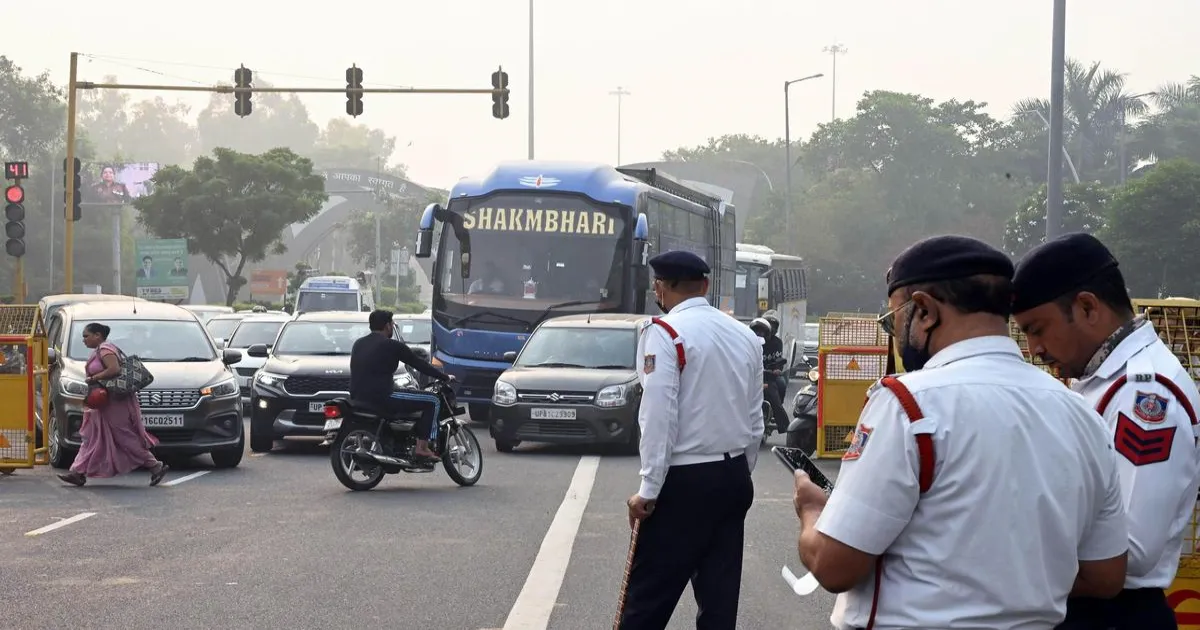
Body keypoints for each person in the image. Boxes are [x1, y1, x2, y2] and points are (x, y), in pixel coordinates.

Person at [792, 235, 1129, 630]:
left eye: (892, 320)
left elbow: (834, 567)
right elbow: (1106, 576)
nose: (894, 334)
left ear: (924, 310)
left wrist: (812, 510)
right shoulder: (1082, 414)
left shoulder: (908, 404)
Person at [1012, 232, 1200, 629]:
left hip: (1113, 615)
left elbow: (1131, 550)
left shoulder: (1144, 395)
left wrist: (1015, 563)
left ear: (1086, 307)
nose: (1034, 349)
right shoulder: (1104, 381)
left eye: (1037, 329)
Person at [618, 250, 764, 630]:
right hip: (732, 478)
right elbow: (755, 418)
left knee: (646, 602)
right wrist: (737, 469)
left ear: (660, 288)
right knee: (719, 603)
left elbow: (658, 414)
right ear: (706, 285)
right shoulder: (744, 335)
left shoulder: (664, 332)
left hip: (683, 483)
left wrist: (648, 489)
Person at [57, 323, 169, 487]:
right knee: (91, 436)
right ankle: (77, 472)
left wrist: (94, 378)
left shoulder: (105, 349)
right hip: (101, 403)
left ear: (98, 335)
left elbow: (114, 369)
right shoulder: (98, 350)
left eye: (86, 336)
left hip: (114, 403)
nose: (83, 340)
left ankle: (155, 465)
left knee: (124, 437)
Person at [349, 309, 454, 462]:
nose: (393, 326)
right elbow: (419, 364)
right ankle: (422, 448)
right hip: (384, 396)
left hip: (358, 397)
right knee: (433, 400)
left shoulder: (358, 344)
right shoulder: (392, 345)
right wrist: (445, 377)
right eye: (392, 324)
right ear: (387, 326)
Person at [750, 317, 787, 434]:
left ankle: (785, 426)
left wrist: (776, 369)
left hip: (767, 377)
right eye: (756, 331)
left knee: (776, 395)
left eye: (762, 331)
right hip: (750, 378)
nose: (759, 334)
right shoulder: (747, 342)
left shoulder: (776, 343)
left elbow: (778, 361)